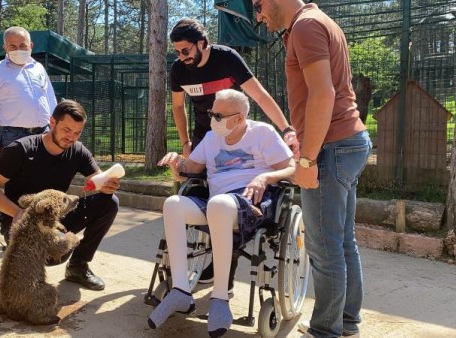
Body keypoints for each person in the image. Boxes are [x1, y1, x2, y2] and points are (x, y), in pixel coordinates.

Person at [255, 1, 372, 337]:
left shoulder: (305, 27)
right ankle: (346, 322)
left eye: (258, 5)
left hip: (330, 148)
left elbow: (323, 94)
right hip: (349, 142)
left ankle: (326, 331)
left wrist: (306, 160)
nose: (259, 16)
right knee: (342, 241)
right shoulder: (318, 22)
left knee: (324, 247)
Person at [148, 89, 295, 337]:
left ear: (239, 118)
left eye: (218, 115)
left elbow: (291, 169)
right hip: (217, 201)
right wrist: (176, 164)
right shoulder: (211, 138)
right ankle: (181, 291)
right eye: (211, 113)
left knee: (219, 205)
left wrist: (265, 176)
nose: (212, 118)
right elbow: (189, 169)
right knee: (173, 203)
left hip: (252, 202)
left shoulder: (262, 133)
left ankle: (219, 298)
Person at [169, 16, 299, 286]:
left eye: (185, 50)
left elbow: (260, 95)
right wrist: (185, 144)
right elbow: (178, 108)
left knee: (228, 201)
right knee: (197, 191)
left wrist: (286, 129)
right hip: (206, 136)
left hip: (236, 130)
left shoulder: (226, 58)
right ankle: (200, 262)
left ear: (201, 43)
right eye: (176, 51)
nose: (181, 57)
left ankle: (223, 265)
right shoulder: (179, 70)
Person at [0, 99, 119, 291]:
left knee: (110, 202)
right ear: (52, 122)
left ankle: (78, 266)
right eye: (67, 130)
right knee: (54, 255)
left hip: (56, 219)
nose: (71, 137)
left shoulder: (77, 151)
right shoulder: (21, 149)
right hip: (21, 223)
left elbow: (98, 180)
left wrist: (107, 184)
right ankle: (18, 257)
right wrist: (18, 213)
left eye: (77, 133)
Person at [0, 26, 57, 161]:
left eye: (22, 45)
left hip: (45, 133)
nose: (18, 49)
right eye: (13, 46)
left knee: (44, 177)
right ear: (5, 48)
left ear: (31, 46)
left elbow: (50, 98)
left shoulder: (39, 68)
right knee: (15, 179)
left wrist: (55, 128)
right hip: (14, 136)